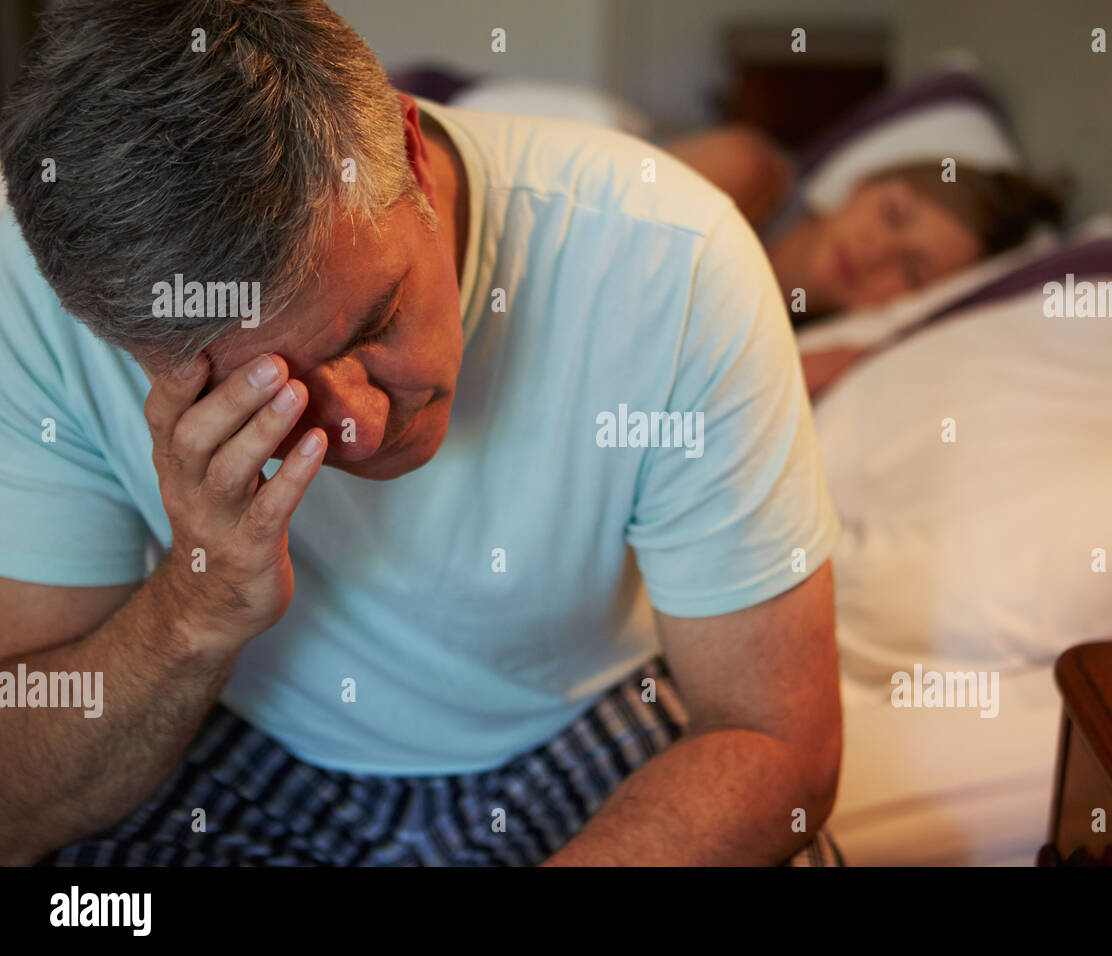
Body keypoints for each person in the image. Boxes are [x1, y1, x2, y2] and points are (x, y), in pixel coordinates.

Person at [0, 0, 842, 867]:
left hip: (571, 718)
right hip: (236, 735)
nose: (361, 428)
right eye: (264, 393)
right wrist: (195, 611)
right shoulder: (33, 287)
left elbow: (780, 741)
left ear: (410, 150)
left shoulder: (671, 257)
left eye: (375, 321)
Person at [666, 123, 1064, 399]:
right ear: (865, 182)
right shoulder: (743, 173)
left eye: (911, 270)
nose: (876, 252)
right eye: (892, 213)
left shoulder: (819, 351)